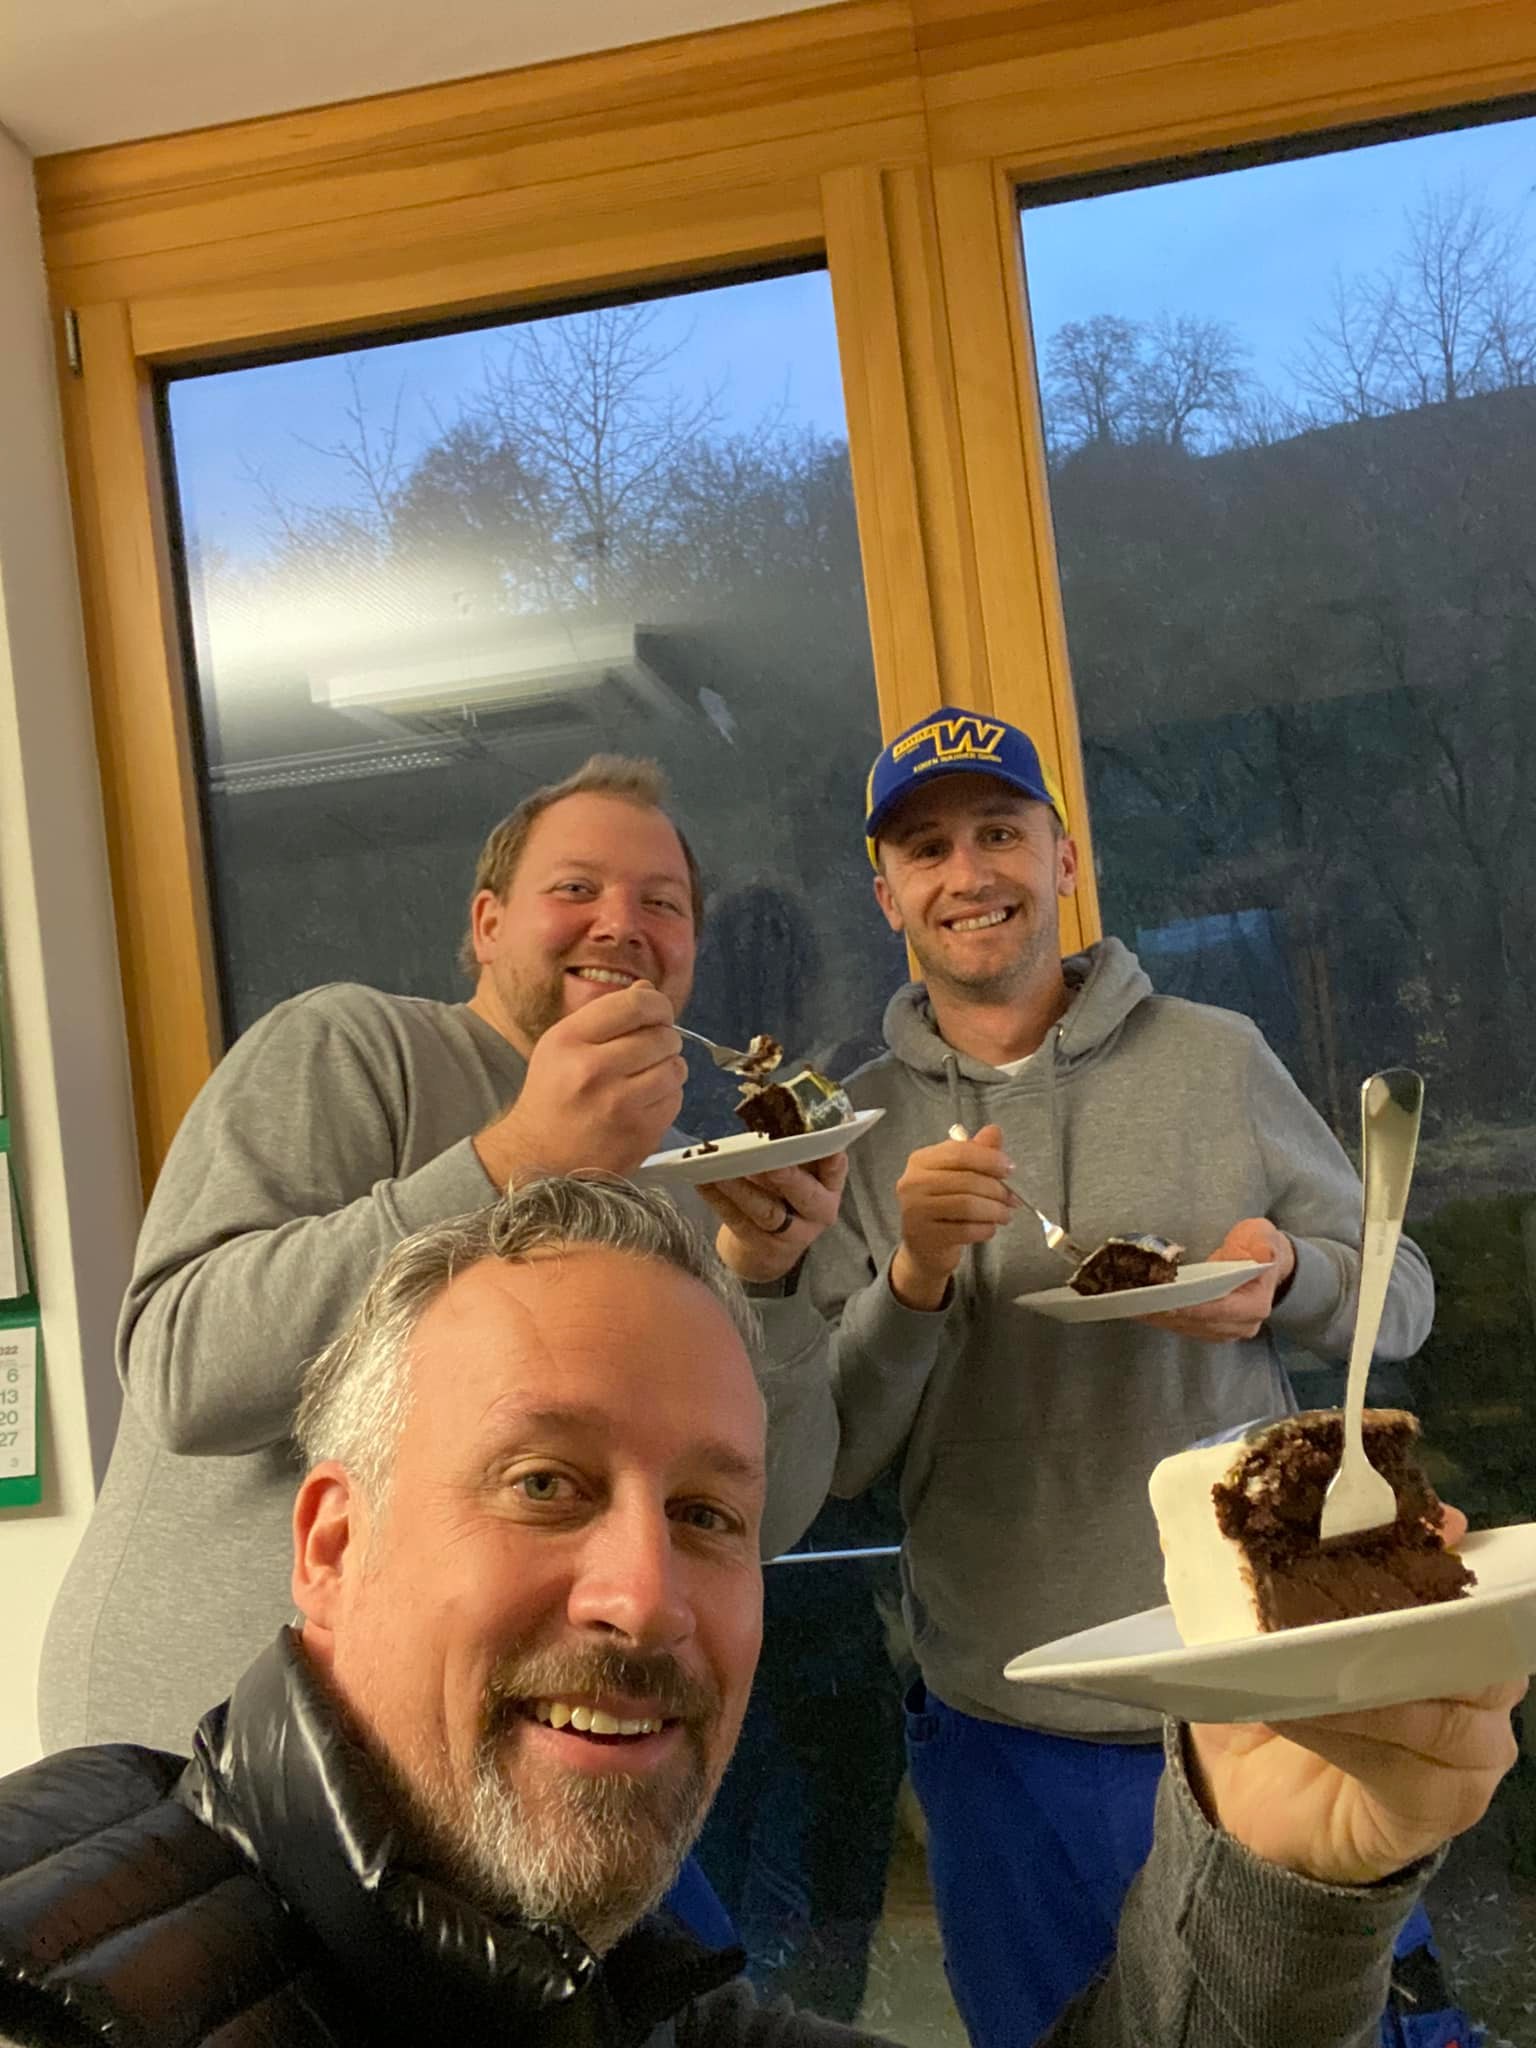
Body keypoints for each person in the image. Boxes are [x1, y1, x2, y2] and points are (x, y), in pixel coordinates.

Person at [0, 1174, 1517, 2048]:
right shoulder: (55, 1971)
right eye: (542, 1482)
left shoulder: (635, 2001)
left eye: (712, 1514)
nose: (647, 1593)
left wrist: (1265, 1873)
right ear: (330, 1543)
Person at [700, 706, 1442, 2045]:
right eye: (927, 849)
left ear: (1065, 858)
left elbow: (1409, 1298)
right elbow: (841, 1453)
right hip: (1010, 1726)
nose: (969, 873)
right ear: (887, 897)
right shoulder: (853, 1140)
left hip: (1258, 1691)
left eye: (1000, 833)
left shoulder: (1218, 1059)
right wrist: (915, 1278)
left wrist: (1296, 1280)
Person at [38, 754, 842, 1758]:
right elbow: (185, 1372)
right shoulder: (349, 1046)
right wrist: (515, 1157)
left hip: (517, 1744)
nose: (621, 921)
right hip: (222, 1750)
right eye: (576, 887)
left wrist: (767, 1277)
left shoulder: (676, 1177)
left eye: (662, 902)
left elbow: (764, 1519)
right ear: (487, 925)